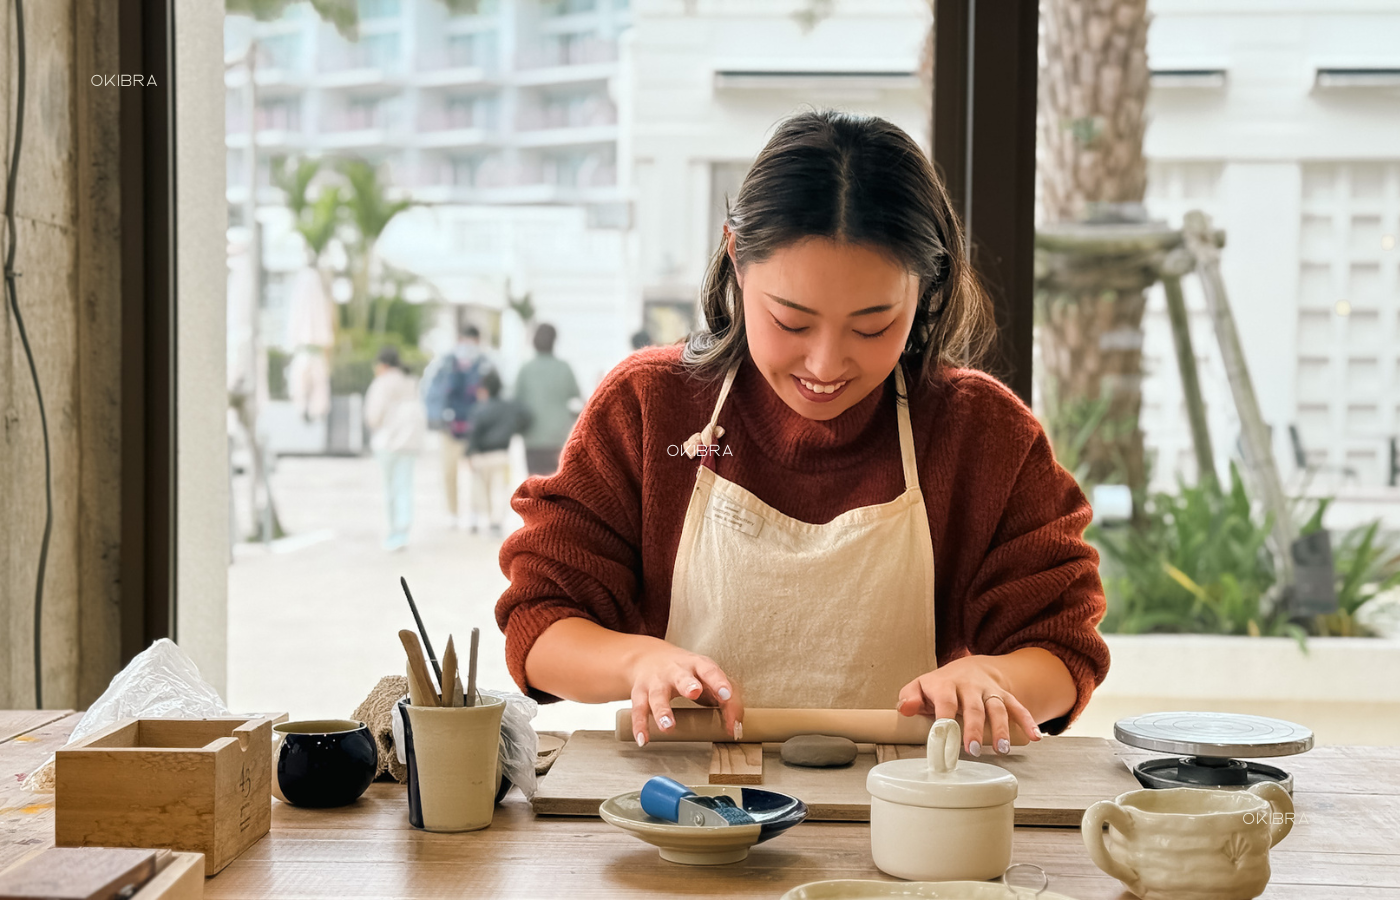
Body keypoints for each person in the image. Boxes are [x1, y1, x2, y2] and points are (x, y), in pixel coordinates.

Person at [495, 111, 1109, 758]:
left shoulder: (980, 433)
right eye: (791, 320)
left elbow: (1063, 648)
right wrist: (635, 663)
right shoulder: (652, 407)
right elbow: (539, 629)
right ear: (737, 257)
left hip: (913, 821)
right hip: (690, 820)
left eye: (872, 326)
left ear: (926, 288)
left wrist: (992, 678)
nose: (825, 365)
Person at [422, 324, 492, 527]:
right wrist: (437, 418)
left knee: (476, 472)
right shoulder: (444, 364)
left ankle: (474, 514)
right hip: (449, 427)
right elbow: (432, 392)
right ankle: (452, 513)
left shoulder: (486, 365)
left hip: (476, 429)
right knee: (449, 472)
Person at [364, 345, 425, 552]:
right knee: (405, 487)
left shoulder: (381, 384)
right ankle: (403, 531)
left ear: (382, 364)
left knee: (389, 488)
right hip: (409, 443)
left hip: (387, 442)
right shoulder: (411, 382)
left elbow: (373, 416)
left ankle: (392, 532)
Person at [465, 370, 531, 539]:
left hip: (482, 456)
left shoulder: (480, 409)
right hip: (502, 454)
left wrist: (469, 453)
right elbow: (526, 417)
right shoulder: (509, 406)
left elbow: (473, 434)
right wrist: (516, 429)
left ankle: (478, 519)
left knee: (481, 489)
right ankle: (496, 523)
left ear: (484, 389)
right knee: (500, 490)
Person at [513, 323, 582, 476]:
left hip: (532, 438)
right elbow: (579, 400)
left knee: (535, 489)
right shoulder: (564, 368)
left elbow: (514, 402)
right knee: (556, 487)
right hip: (559, 438)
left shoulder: (525, 369)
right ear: (554, 341)